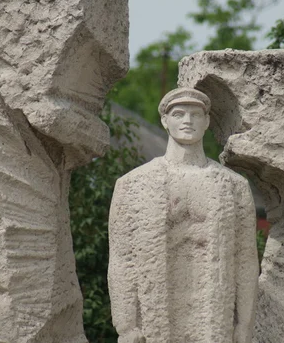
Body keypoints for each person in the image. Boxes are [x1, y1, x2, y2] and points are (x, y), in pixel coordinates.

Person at [108, 88, 259, 343]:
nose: (188, 121)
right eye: (179, 114)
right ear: (165, 121)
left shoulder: (233, 186)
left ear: (207, 121)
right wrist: (126, 324)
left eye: (196, 114)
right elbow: (122, 259)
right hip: (156, 316)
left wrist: (245, 322)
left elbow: (245, 258)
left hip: (213, 315)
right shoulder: (133, 184)